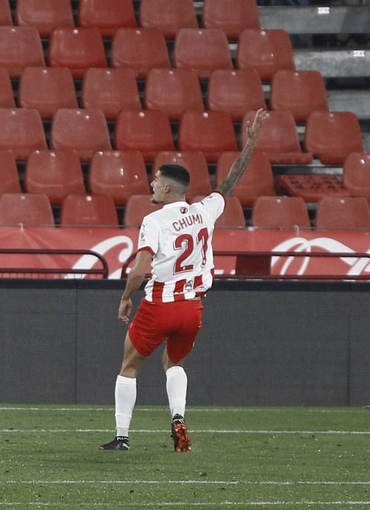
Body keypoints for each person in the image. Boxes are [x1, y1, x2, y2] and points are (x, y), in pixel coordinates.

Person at [106, 109, 269, 452]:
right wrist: (251, 143)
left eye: (155, 180)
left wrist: (125, 296)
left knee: (129, 367)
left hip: (160, 304)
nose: (151, 184)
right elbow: (229, 184)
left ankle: (122, 436)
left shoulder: (154, 221)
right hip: (192, 308)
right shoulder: (204, 211)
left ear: (166, 187)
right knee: (174, 363)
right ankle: (178, 419)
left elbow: (139, 268)